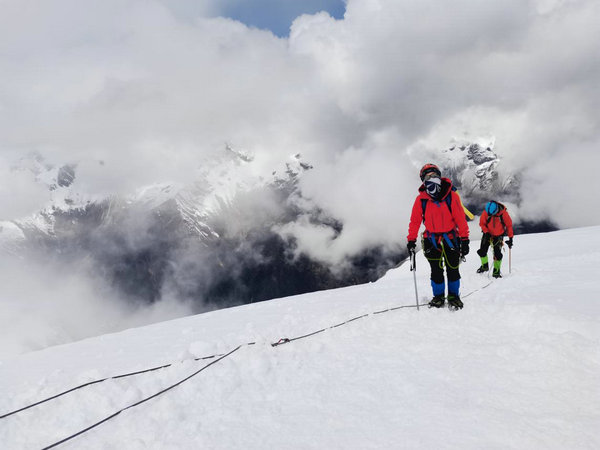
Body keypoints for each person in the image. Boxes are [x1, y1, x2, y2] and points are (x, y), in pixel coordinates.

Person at [407, 164, 470, 309]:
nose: (432, 179)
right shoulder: (421, 200)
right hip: (432, 239)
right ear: (423, 180)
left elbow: (460, 219)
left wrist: (465, 239)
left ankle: (453, 296)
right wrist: (411, 240)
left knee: (453, 268)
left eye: (434, 175)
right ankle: (439, 296)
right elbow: (415, 221)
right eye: (428, 176)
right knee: (436, 271)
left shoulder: (451, 196)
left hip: (450, 238)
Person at [476, 200, 514, 278]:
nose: (490, 215)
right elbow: (482, 223)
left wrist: (510, 238)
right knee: (482, 251)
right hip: (487, 234)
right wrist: (486, 232)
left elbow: (509, 226)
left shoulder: (504, 214)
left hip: (498, 236)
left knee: (497, 254)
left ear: (496, 210)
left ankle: (496, 271)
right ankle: (484, 266)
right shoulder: (487, 212)